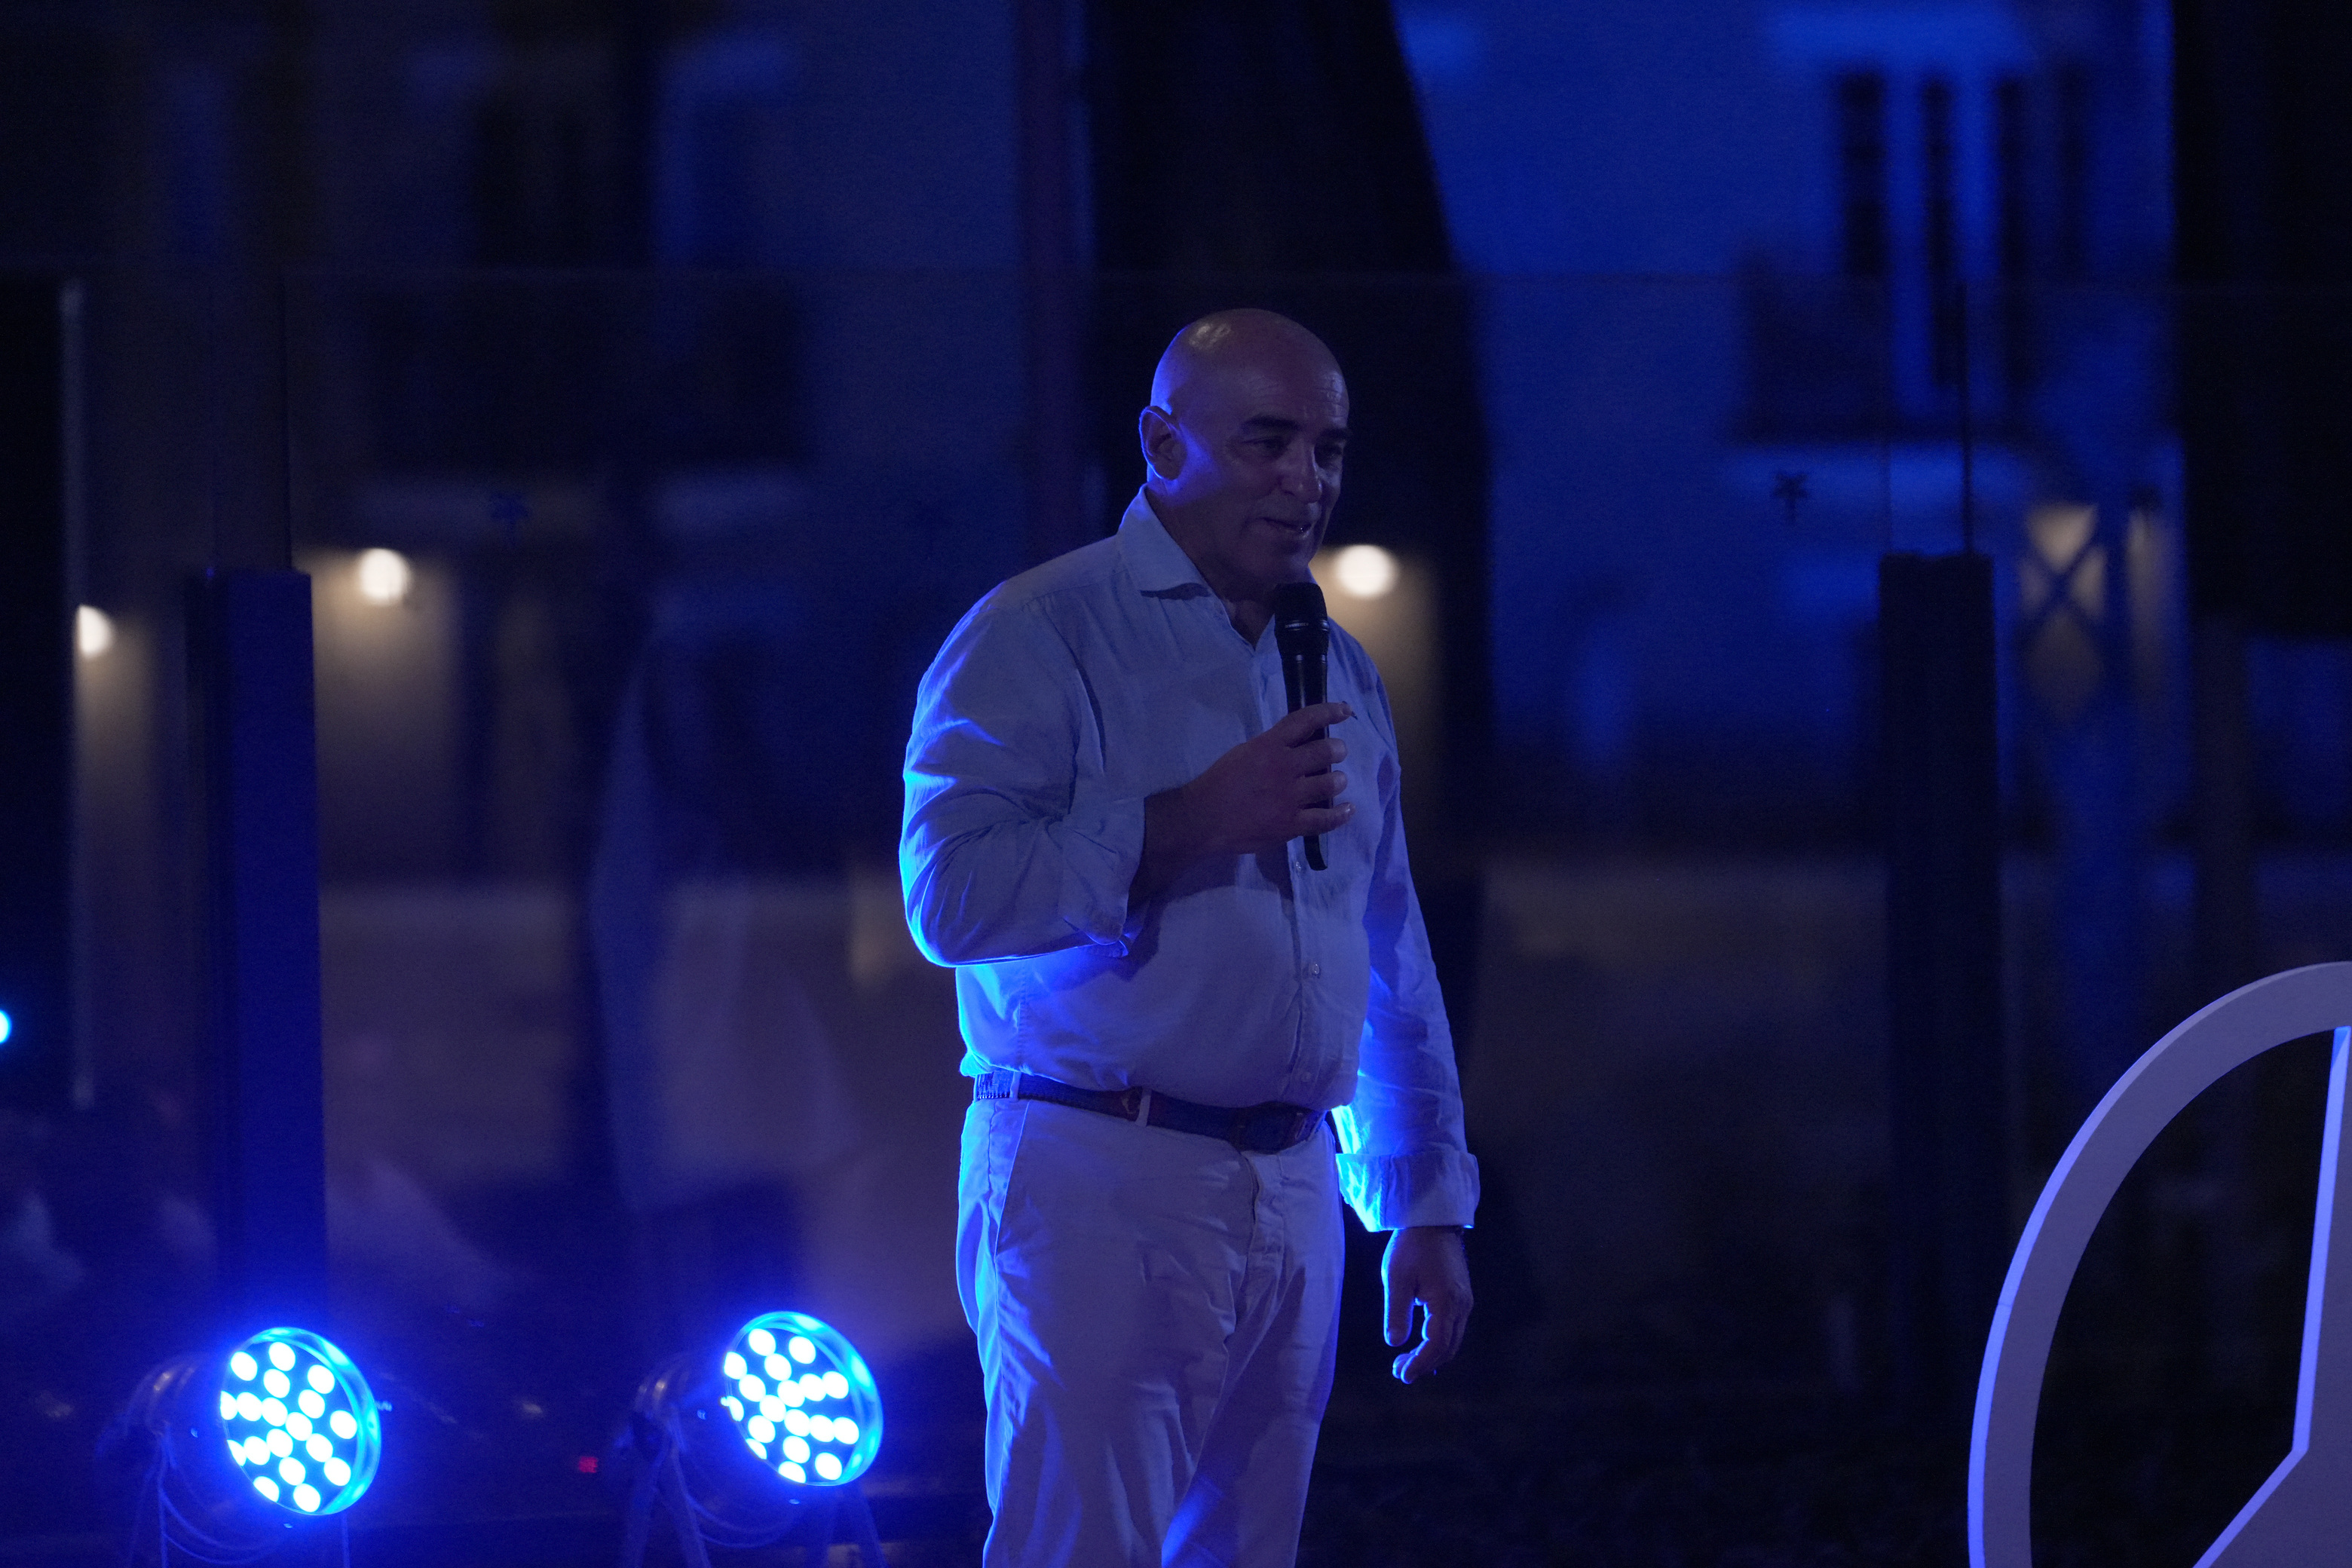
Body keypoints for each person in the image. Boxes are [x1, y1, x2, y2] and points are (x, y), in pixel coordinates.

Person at [900, 309, 1478, 1567]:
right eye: (1267, 441)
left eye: (1327, 448)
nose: (1306, 479)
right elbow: (951, 896)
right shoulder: (1040, 631)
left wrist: (1421, 1203)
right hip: (1102, 1171)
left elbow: (1385, 949)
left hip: (1295, 1184)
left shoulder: (1337, 666)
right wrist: (1189, 822)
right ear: (1162, 445)